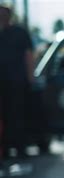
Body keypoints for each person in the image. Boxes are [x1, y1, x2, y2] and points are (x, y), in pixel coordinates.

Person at [0, 4, 34, 158]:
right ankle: (5, 150)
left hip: (17, 83)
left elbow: (28, 56)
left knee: (18, 116)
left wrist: (30, 77)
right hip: (3, 85)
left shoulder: (19, 32)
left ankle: (20, 149)